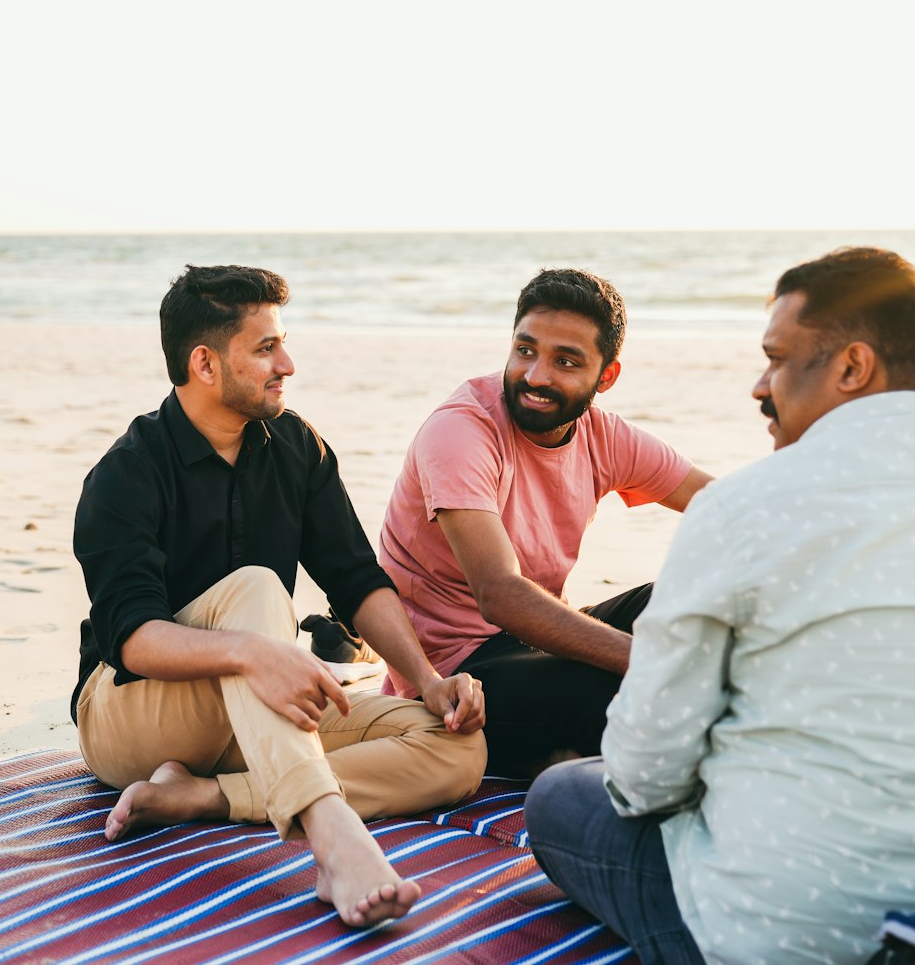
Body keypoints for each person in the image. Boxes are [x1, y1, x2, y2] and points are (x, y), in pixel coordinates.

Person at [524, 246, 915, 965]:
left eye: (776, 358)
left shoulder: (743, 507)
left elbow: (644, 778)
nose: (759, 386)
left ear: (852, 368)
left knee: (562, 798)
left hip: (785, 926)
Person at [71, 264, 486, 930]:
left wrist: (427, 678)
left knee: (455, 747)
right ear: (204, 364)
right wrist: (247, 653)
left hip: (255, 715)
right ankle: (334, 840)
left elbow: (355, 581)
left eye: (282, 343)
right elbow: (133, 640)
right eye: (266, 348)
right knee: (259, 589)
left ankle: (203, 798)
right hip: (130, 714)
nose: (286, 364)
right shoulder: (129, 471)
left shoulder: (297, 447)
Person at [378, 267, 712, 777]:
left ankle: (558, 759)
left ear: (606, 377)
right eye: (526, 350)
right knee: (630, 692)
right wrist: (648, 658)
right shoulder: (461, 431)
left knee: (698, 597)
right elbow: (501, 594)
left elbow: (726, 506)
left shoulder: (604, 435)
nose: (536, 376)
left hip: (534, 643)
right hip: (457, 675)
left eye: (566, 361)